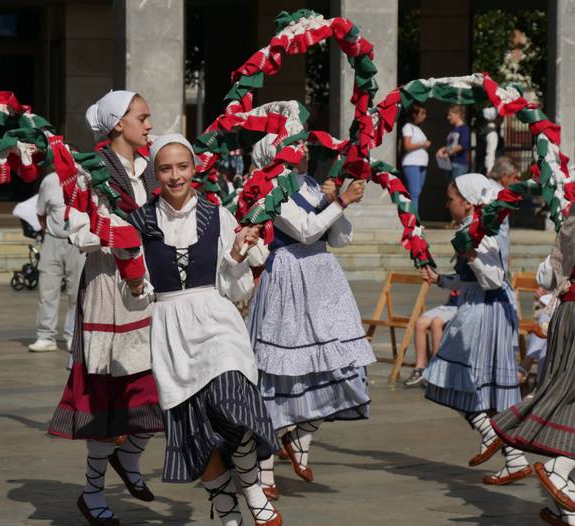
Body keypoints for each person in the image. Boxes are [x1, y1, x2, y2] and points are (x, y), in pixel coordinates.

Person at [119, 134, 281, 526]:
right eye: (166, 169)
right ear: (155, 173)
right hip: (170, 330)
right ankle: (227, 512)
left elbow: (235, 288)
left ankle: (253, 490)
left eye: (182, 167)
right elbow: (136, 295)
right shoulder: (139, 222)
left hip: (216, 321)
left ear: (194, 169)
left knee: (234, 403)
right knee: (195, 427)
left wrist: (237, 254)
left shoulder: (216, 214)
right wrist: (136, 285)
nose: (175, 176)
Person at [47, 90, 163, 526]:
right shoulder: (90, 171)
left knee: (161, 384)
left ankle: (129, 456)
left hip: (150, 284)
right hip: (108, 288)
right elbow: (77, 230)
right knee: (107, 396)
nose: (149, 125)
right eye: (142, 117)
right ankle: (92, 491)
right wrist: (121, 233)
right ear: (118, 123)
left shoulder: (151, 170)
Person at [245, 139, 375, 500]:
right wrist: (340, 201)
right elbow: (304, 230)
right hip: (289, 277)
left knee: (340, 366)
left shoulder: (312, 184)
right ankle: (264, 469)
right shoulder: (271, 186)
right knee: (280, 373)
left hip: (322, 279)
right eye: (293, 143)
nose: (303, 149)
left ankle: (301, 435)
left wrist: (335, 202)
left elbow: (341, 238)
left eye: (302, 143)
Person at [419, 173, 531, 486]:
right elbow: (471, 281)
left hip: (485, 311)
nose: (447, 205)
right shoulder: (475, 226)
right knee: (479, 388)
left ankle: (488, 432)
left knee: (449, 377)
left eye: (451, 199)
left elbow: (492, 279)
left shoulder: (482, 230)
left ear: (468, 203)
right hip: (483, 306)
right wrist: (441, 279)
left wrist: (472, 255)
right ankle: (515, 460)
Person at [491, 217, 575, 526]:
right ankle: (560, 470)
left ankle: (564, 505)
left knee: (566, 396)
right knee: (567, 394)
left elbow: (548, 274)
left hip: (568, 312)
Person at [28, 170, 85, 352]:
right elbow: (41, 212)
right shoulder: (50, 180)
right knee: (46, 290)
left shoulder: (85, 178)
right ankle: (45, 336)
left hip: (77, 241)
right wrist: (50, 232)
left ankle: (72, 334)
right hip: (52, 240)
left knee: (76, 293)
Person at [403, 291, 459, 388]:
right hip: (449, 306)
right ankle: (420, 368)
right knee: (420, 323)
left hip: (463, 306)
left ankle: (434, 369)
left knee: (436, 323)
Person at [401, 103, 431, 213]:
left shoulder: (418, 128)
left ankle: (413, 216)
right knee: (414, 192)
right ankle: (413, 218)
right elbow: (407, 145)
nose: (424, 116)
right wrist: (422, 144)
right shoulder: (408, 127)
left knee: (417, 192)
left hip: (421, 164)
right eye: (422, 113)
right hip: (412, 163)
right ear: (414, 114)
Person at [436, 104, 470, 180]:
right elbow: (451, 145)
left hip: (459, 164)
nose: (448, 117)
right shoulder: (454, 129)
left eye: (450, 115)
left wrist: (449, 153)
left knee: (456, 186)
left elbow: (463, 145)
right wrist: (442, 150)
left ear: (458, 114)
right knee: (449, 185)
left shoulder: (464, 128)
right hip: (449, 163)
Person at [476, 107, 503, 175]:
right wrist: (489, 171)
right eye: (500, 116)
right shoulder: (492, 133)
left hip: (480, 167)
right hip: (489, 170)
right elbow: (490, 153)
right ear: (495, 118)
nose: (502, 118)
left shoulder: (484, 131)